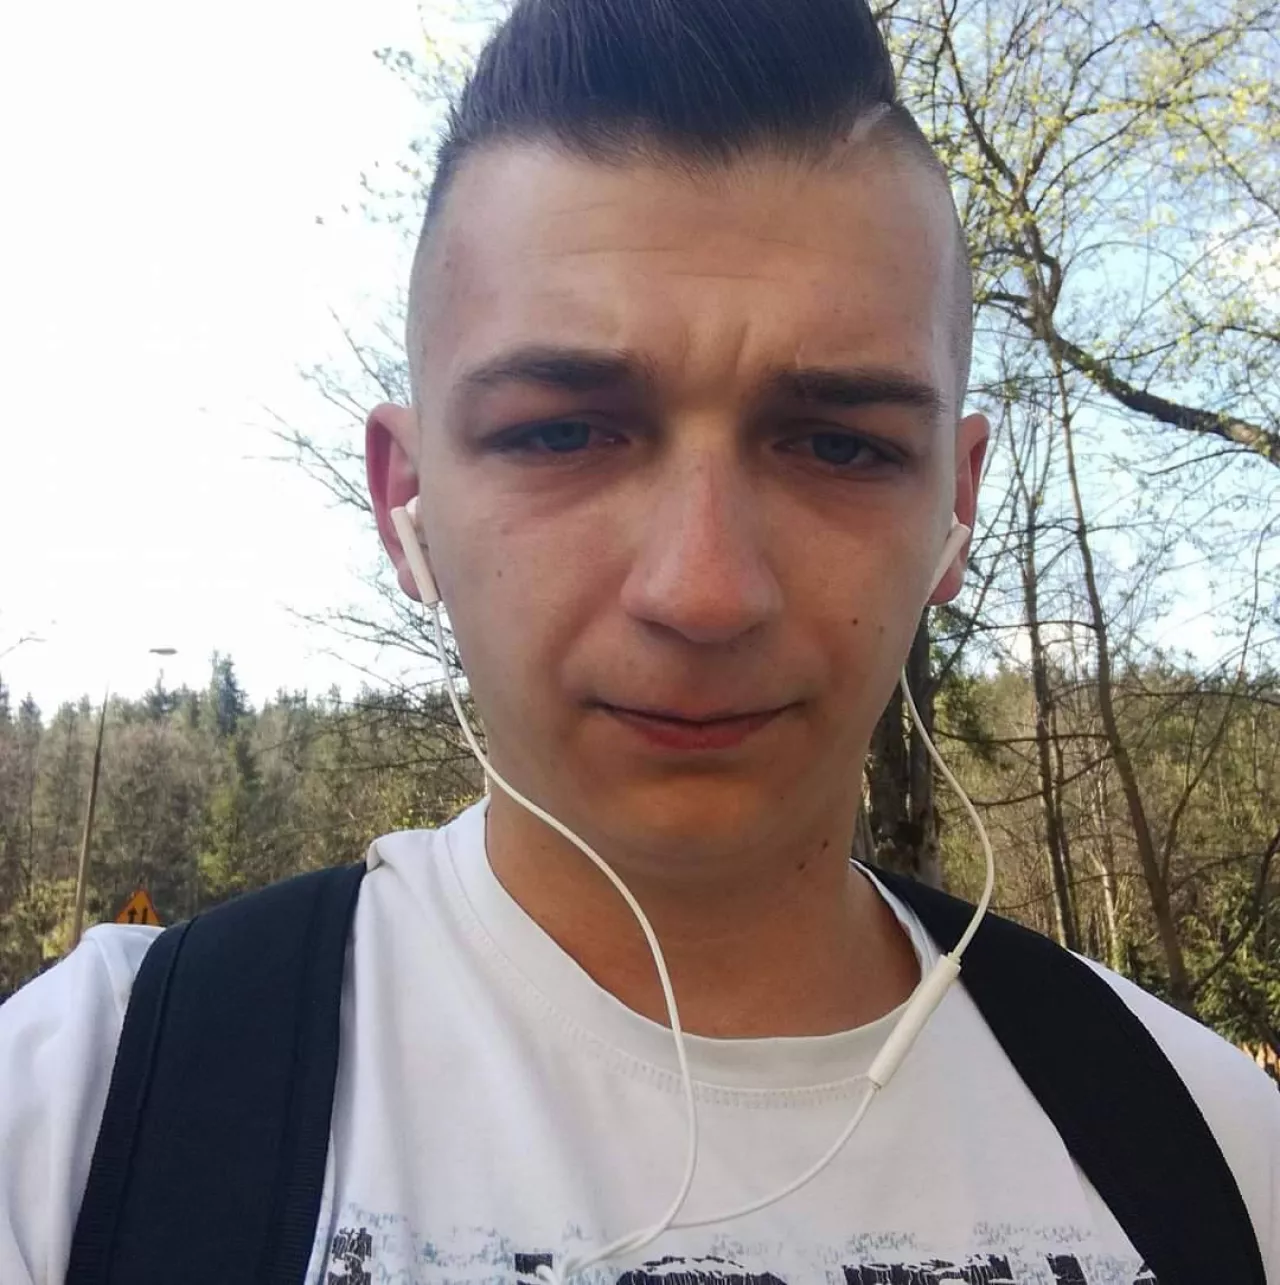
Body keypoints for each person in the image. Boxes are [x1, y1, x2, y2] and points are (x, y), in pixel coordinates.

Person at [2, 1, 1277, 1282]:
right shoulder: (86, 1112)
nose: (702, 591)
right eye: (562, 432)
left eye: (836, 445)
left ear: (954, 509)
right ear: (407, 507)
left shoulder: (1219, 1154)